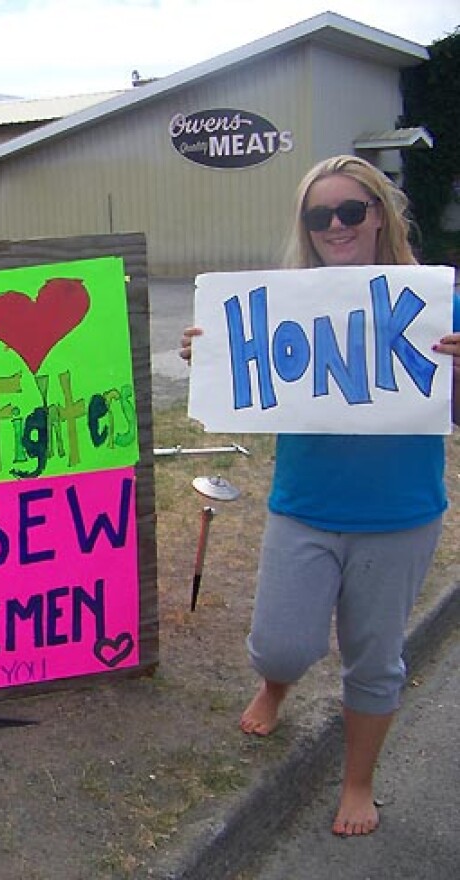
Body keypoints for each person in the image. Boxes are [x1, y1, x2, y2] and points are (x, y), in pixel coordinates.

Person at [180, 154, 460, 837]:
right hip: (304, 505)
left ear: (379, 215)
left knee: (374, 657)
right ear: (305, 227)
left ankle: (358, 782)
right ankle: (275, 683)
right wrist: (210, 357)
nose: (335, 225)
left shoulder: (434, 299)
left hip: (398, 515)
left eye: (349, 211)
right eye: (318, 215)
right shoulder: (284, 303)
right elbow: (246, 381)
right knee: (280, 644)